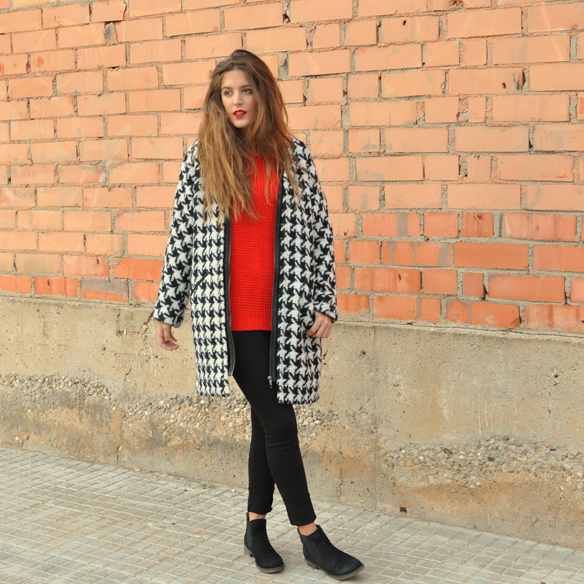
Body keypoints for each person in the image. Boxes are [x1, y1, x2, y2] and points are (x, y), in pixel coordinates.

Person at [153, 49, 364, 581]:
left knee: (264, 424)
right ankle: (312, 537)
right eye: (227, 92)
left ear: (263, 94)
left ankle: (255, 528)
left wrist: (325, 301)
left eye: (246, 90)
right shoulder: (201, 159)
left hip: (284, 315)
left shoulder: (294, 156)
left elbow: (319, 233)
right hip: (230, 319)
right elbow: (181, 237)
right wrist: (167, 308)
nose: (237, 101)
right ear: (217, 101)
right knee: (280, 422)